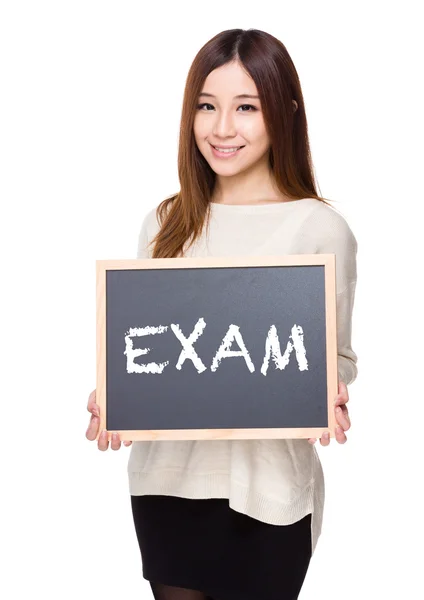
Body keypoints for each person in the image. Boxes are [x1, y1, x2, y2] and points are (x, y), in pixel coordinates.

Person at [86, 28, 357, 600]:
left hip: (268, 490)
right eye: (207, 106)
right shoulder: (166, 222)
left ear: (283, 111)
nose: (222, 128)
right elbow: (150, 344)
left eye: (246, 108)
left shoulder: (319, 228)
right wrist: (115, 392)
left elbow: (336, 356)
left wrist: (327, 385)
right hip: (168, 484)